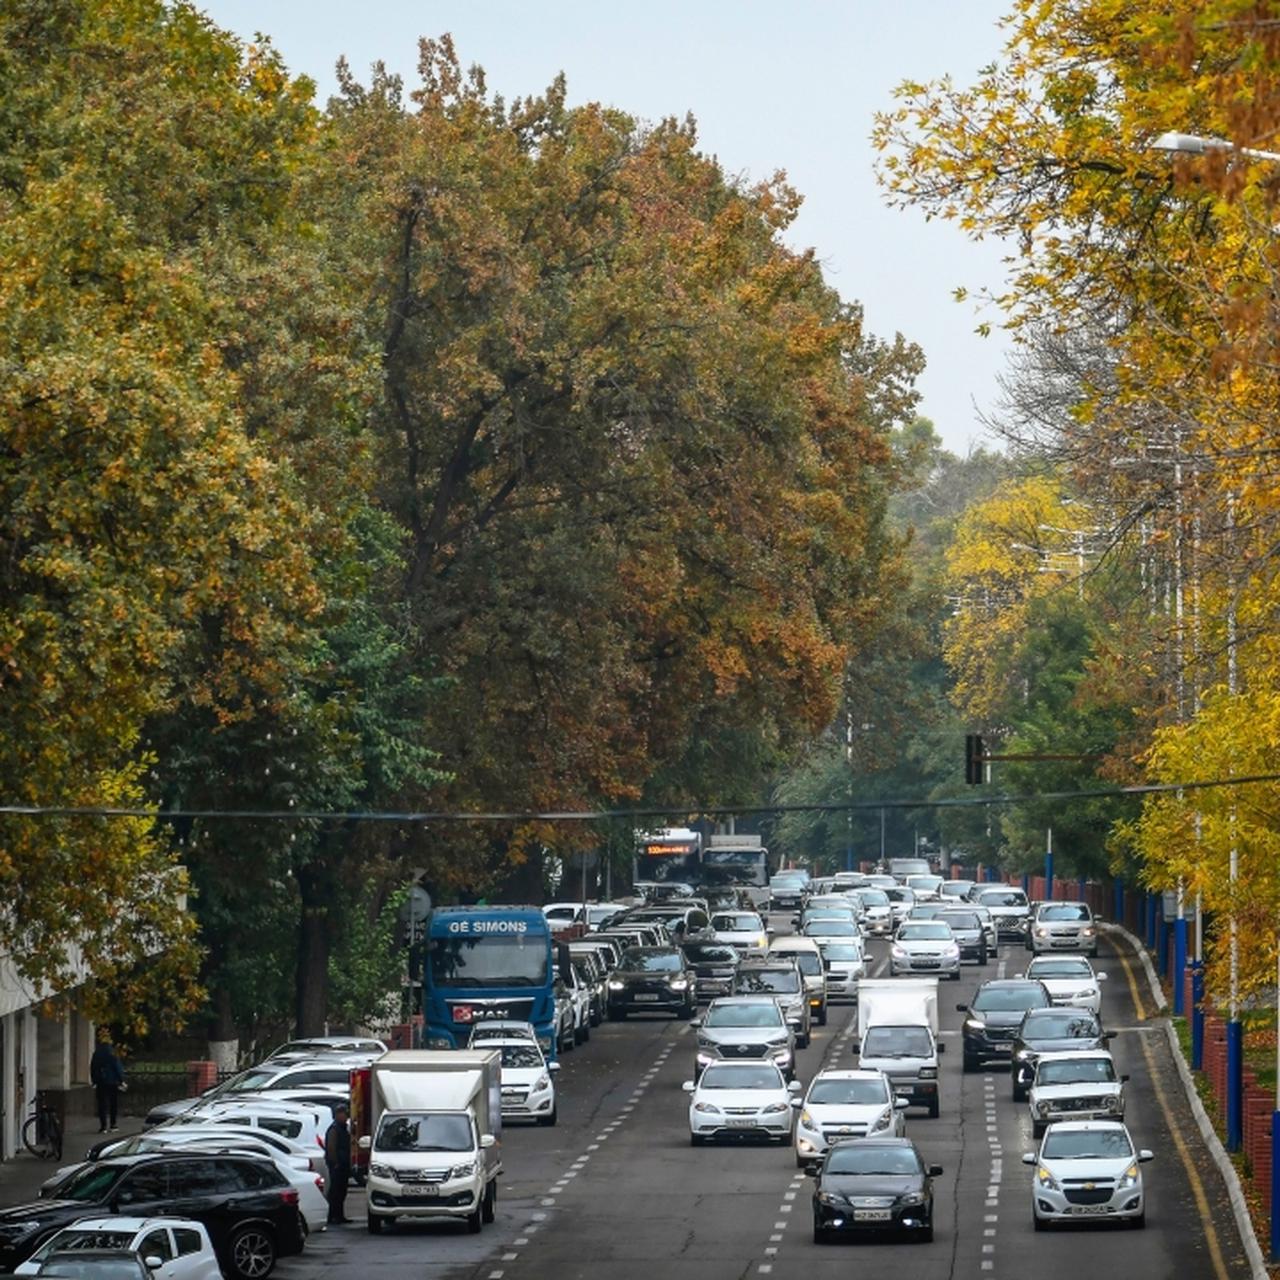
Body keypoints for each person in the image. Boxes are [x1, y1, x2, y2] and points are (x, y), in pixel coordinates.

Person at [89, 1033, 125, 1134]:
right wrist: (121, 1080)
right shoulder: (112, 1053)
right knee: (113, 1103)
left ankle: (103, 1126)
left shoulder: (97, 1053)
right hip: (113, 1082)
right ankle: (113, 1125)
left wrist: (94, 1081)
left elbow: (93, 1068)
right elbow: (117, 1068)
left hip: (101, 1082)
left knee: (102, 1104)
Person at [324, 1104, 352, 1224]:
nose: (345, 1117)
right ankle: (332, 1216)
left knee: (341, 1191)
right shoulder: (334, 1129)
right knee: (335, 1191)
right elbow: (331, 1147)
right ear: (337, 1115)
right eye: (344, 1114)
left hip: (343, 1164)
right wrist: (335, 1162)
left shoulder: (343, 1128)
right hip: (337, 1165)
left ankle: (339, 1215)